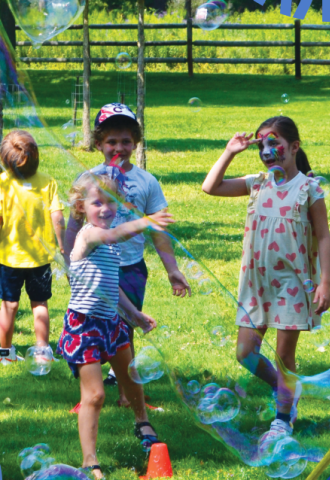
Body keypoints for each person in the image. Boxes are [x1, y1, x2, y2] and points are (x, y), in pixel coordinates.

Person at [202, 116, 330, 442]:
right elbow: (210, 187)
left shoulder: (309, 188)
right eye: (262, 145)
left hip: (292, 284)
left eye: (274, 143)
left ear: (294, 146)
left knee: (284, 357)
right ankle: (287, 389)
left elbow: (324, 237)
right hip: (256, 284)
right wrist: (230, 152)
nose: (267, 150)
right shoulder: (257, 183)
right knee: (245, 353)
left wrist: (325, 282)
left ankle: (283, 420)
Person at [64, 103, 190, 406]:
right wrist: (71, 262)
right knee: (90, 325)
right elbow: (73, 224)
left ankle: (127, 394)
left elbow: (159, 232)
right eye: (111, 141)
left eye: (125, 141)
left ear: (135, 142)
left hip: (130, 267)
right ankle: (89, 392)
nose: (118, 147)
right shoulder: (88, 179)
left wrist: (172, 269)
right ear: (98, 144)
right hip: (93, 269)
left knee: (125, 328)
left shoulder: (147, 181)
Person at [57, 172, 174, 479]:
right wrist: (146, 222)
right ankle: (90, 460)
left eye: (112, 203)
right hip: (84, 327)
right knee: (94, 395)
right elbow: (110, 235)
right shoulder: (89, 235)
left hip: (111, 322)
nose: (106, 209)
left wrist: (133, 313)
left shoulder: (109, 246)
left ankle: (142, 422)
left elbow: (112, 285)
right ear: (82, 208)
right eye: (98, 203)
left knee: (132, 378)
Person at [0, 130, 65, 364]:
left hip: (9, 258)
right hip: (40, 258)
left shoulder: (2, 183)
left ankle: (5, 353)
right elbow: (57, 217)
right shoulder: (47, 182)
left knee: (9, 304)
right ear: (36, 157)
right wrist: (62, 245)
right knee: (39, 303)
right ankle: (42, 352)